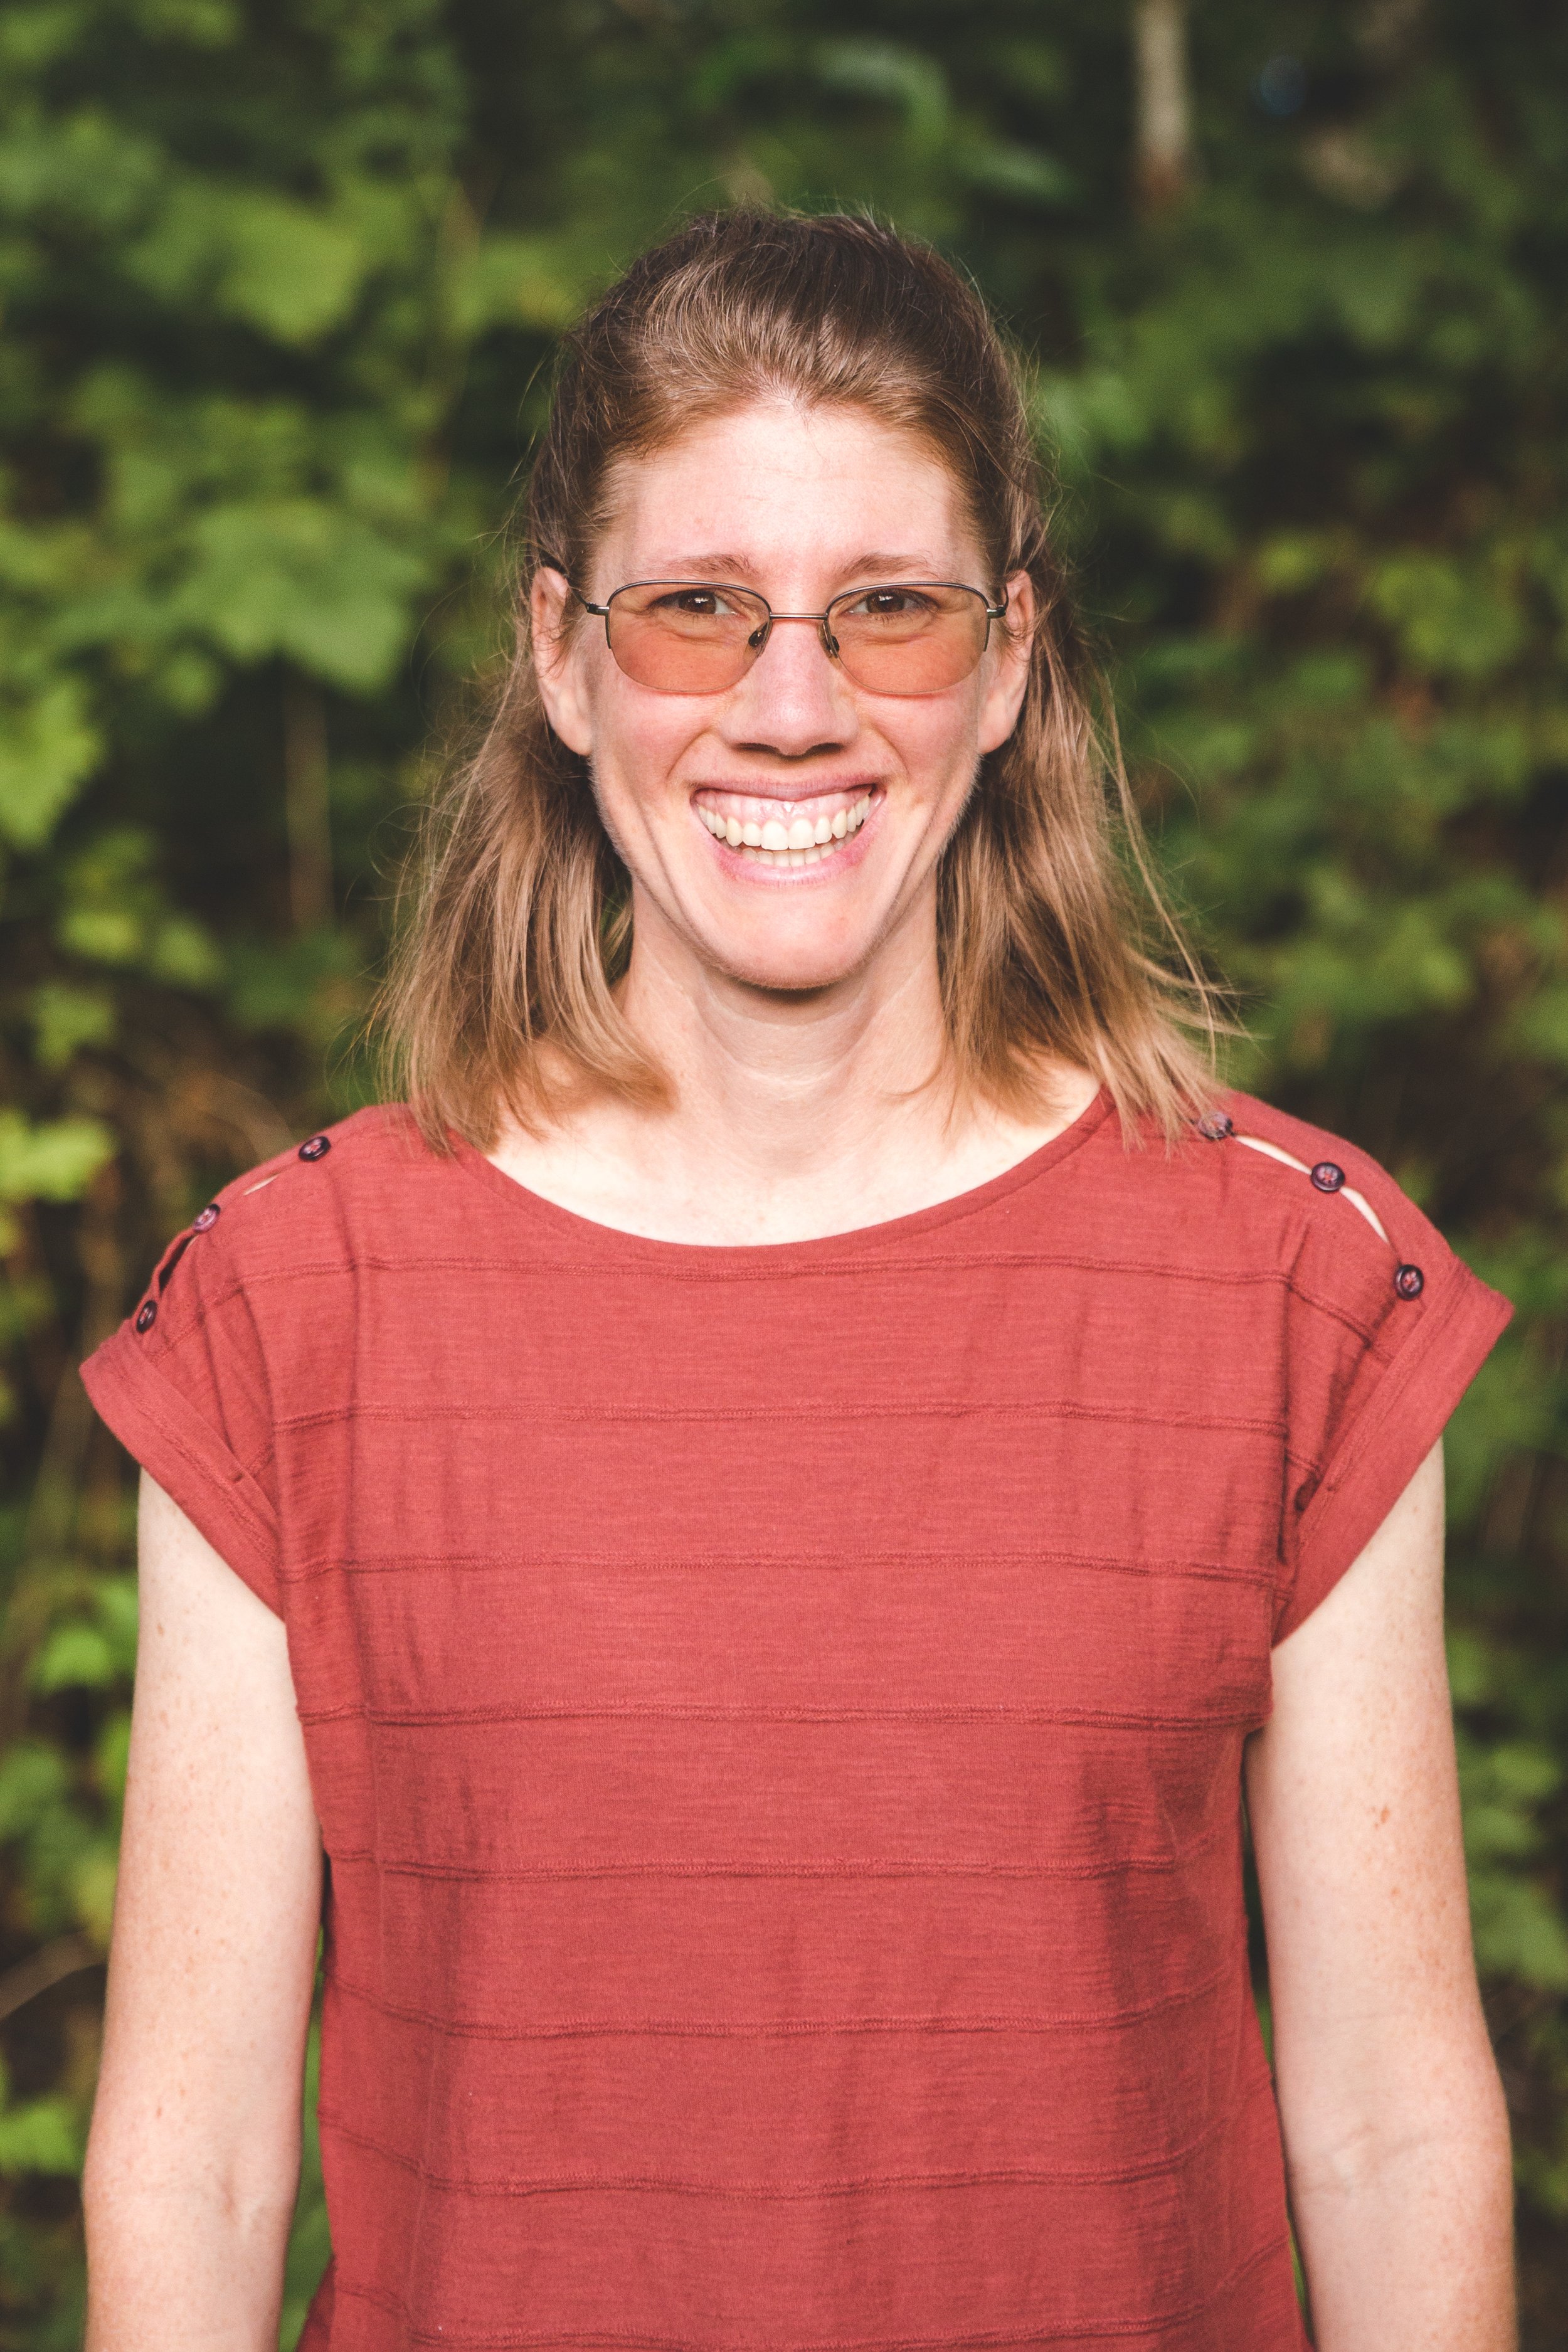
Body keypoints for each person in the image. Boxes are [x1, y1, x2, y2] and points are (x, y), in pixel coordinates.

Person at [78, 211, 1516, 2352]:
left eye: (887, 611)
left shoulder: (1292, 1282)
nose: (791, 706)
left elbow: (1388, 2126)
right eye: (696, 612)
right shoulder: (298, 1302)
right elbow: (193, 2165)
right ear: (561, 657)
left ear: (1011, 659)